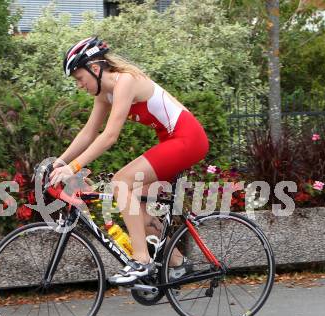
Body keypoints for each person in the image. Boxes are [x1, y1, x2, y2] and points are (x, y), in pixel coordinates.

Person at [50, 37, 209, 284]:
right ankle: (177, 263)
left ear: (95, 68)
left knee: (120, 182)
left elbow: (110, 135)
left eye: (79, 78)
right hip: (171, 141)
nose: (79, 84)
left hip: (187, 138)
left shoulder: (126, 81)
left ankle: (142, 260)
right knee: (135, 203)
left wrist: (74, 167)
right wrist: (60, 162)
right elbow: (89, 132)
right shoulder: (105, 95)